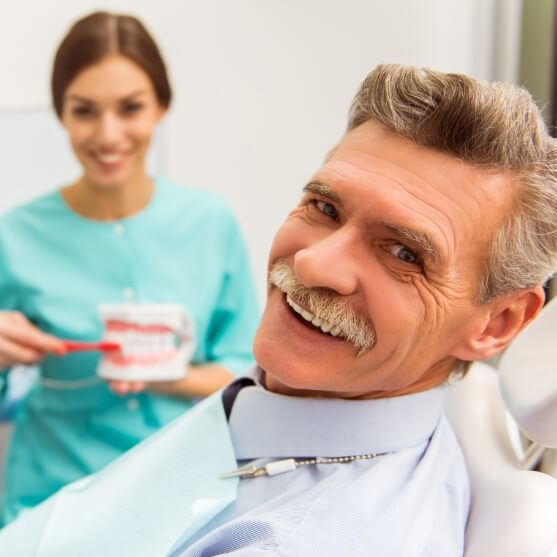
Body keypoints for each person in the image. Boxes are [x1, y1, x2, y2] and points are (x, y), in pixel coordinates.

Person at [1, 63, 556, 556]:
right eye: (324, 206)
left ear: (498, 323)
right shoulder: (288, 392)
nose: (314, 264)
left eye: (405, 252)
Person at [0, 11, 259, 524]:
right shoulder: (16, 234)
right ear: (61, 114)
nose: (108, 133)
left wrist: (172, 377)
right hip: (50, 500)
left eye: (130, 108)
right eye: (85, 111)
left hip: (184, 496)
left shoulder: (209, 222)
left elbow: (250, 369)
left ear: (161, 105)